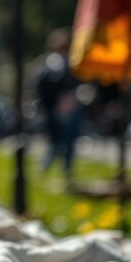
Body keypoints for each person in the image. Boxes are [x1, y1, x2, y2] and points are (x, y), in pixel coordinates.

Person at [36, 28, 81, 178]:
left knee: (66, 142)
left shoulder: (68, 63)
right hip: (58, 108)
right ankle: (46, 169)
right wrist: (55, 103)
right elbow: (48, 88)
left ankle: (64, 171)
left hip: (68, 106)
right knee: (58, 143)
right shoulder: (54, 63)